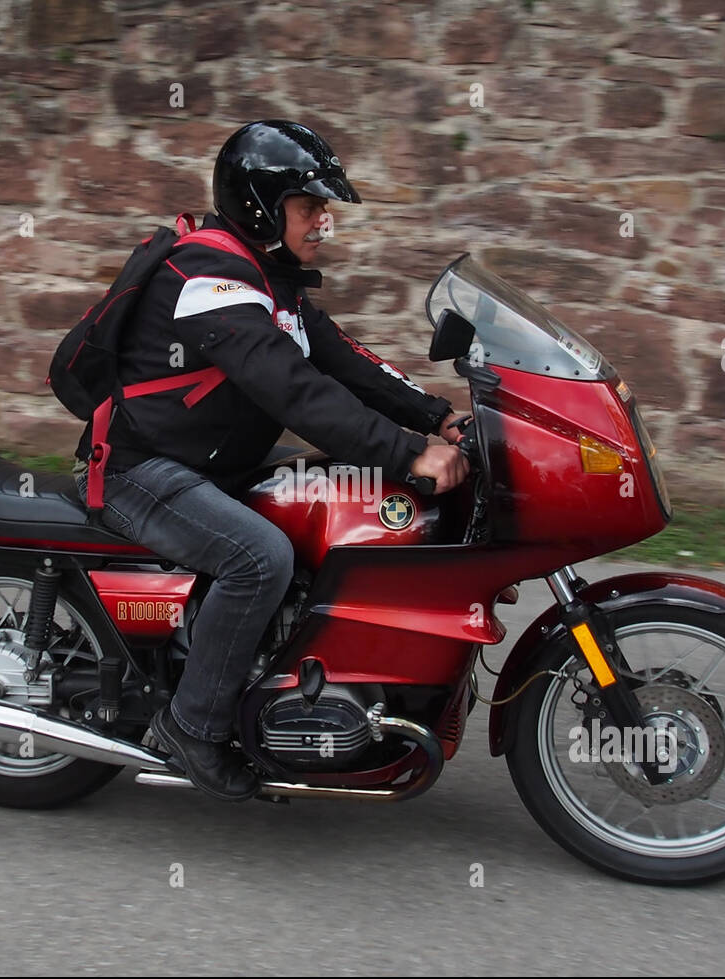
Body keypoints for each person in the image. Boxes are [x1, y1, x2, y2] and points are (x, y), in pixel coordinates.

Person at [77, 119, 469, 801]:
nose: (324, 221)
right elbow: (293, 389)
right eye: (310, 206)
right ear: (262, 205)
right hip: (142, 471)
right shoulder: (207, 274)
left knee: (344, 499)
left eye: (324, 208)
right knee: (260, 557)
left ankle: (287, 670)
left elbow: (347, 363)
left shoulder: (271, 279)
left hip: (214, 463)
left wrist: (438, 416)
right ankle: (191, 728)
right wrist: (411, 453)